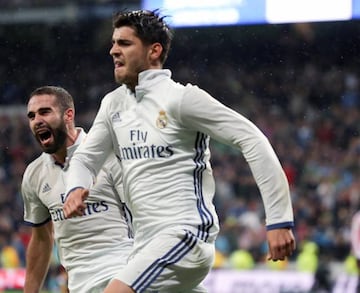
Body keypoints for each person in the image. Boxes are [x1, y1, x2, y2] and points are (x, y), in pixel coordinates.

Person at [63, 9, 296, 293]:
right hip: (145, 244)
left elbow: (252, 139)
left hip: (185, 236)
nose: (113, 50)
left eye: (124, 43)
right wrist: (76, 186)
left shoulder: (181, 99)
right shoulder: (113, 104)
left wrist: (279, 220)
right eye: (113, 43)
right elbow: (86, 158)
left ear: (154, 51)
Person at [21, 86, 133, 293]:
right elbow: (42, 238)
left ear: (68, 115)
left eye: (45, 112)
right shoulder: (33, 175)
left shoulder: (108, 153)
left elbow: (140, 213)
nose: (37, 120)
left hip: (123, 273)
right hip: (79, 284)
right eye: (31, 116)